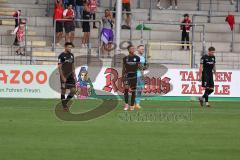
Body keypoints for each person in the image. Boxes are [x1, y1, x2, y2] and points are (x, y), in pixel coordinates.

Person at [58, 42, 77, 111]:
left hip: (71, 76)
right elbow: (59, 67)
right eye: (69, 47)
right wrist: (62, 76)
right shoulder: (61, 56)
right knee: (63, 90)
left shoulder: (72, 55)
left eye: (71, 47)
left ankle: (65, 102)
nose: (70, 48)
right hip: (64, 75)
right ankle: (64, 106)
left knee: (73, 91)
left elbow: (72, 65)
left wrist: (74, 75)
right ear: (65, 47)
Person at [122, 45, 141, 111]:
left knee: (133, 91)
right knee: (126, 90)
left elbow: (139, 66)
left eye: (134, 48)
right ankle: (126, 104)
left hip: (134, 76)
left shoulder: (137, 58)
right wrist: (122, 77)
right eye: (131, 48)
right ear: (128, 50)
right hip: (127, 76)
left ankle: (132, 105)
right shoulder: (125, 58)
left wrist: (143, 68)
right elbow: (123, 68)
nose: (133, 49)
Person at [135, 45, 148, 110]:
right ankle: (134, 104)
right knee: (135, 90)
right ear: (138, 49)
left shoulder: (143, 58)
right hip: (135, 75)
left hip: (140, 75)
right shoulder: (135, 57)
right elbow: (139, 67)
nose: (142, 50)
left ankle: (137, 104)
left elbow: (144, 67)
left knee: (139, 90)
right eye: (141, 49)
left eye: (143, 49)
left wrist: (146, 66)